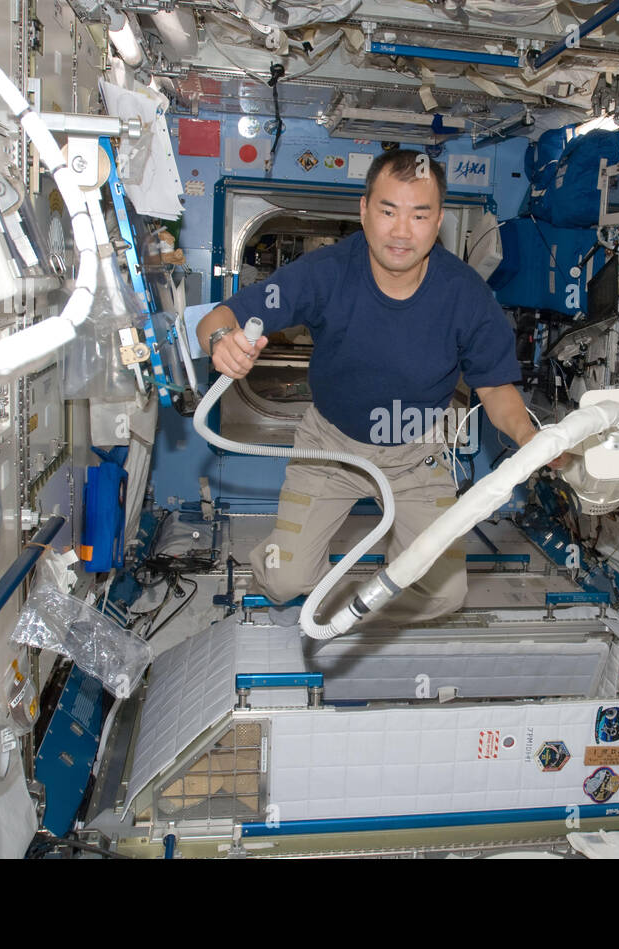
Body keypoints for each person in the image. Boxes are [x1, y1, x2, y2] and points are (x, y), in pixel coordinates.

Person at [196, 149, 552, 625]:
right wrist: (221, 341)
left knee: (444, 596)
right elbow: (218, 318)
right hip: (331, 448)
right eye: (388, 211)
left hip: (417, 454)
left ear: (439, 220)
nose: (402, 231)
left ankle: (356, 611)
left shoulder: (465, 295)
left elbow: (497, 392)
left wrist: (531, 438)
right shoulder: (327, 272)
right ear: (364, 211)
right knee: (285, 580)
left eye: (419, 215)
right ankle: (297, 574)